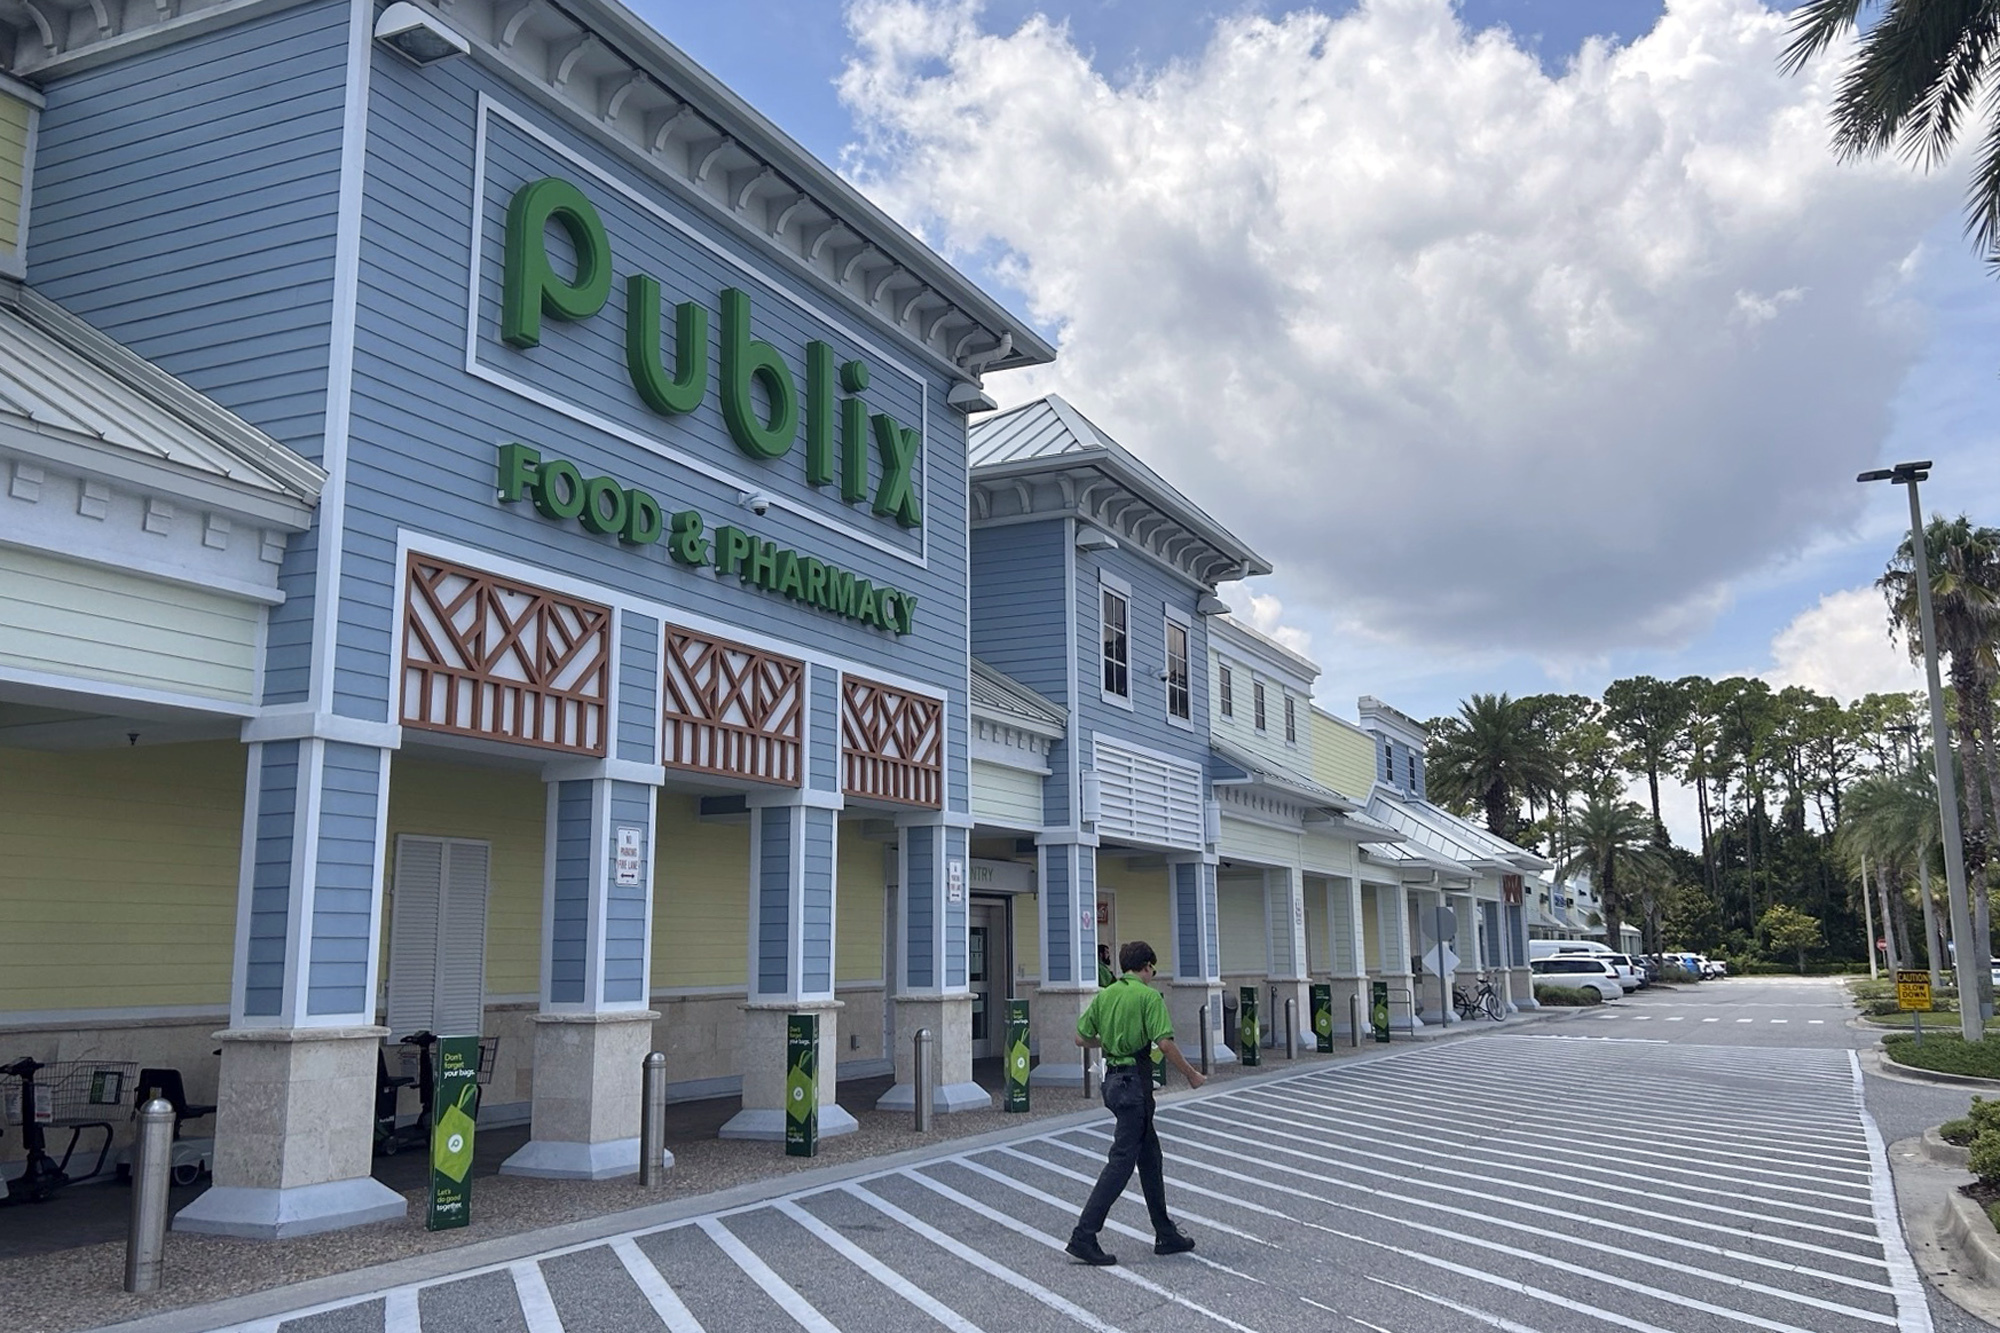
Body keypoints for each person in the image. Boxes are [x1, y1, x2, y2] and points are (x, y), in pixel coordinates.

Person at [1066, 940, 1205, 1266]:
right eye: (1152, 969)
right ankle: (1084, 1235)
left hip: (1113, 1082)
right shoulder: (1148, 997)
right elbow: (1164, 1044)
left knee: (1150, 1157)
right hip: (1135, 1083)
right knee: (1122, 1161)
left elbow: (1080, 1037)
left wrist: (1109, 1042)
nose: (1152, 974)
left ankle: (1165, 1231)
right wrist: (1191, 1074)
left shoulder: (1106, 994)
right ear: (1146, 967)